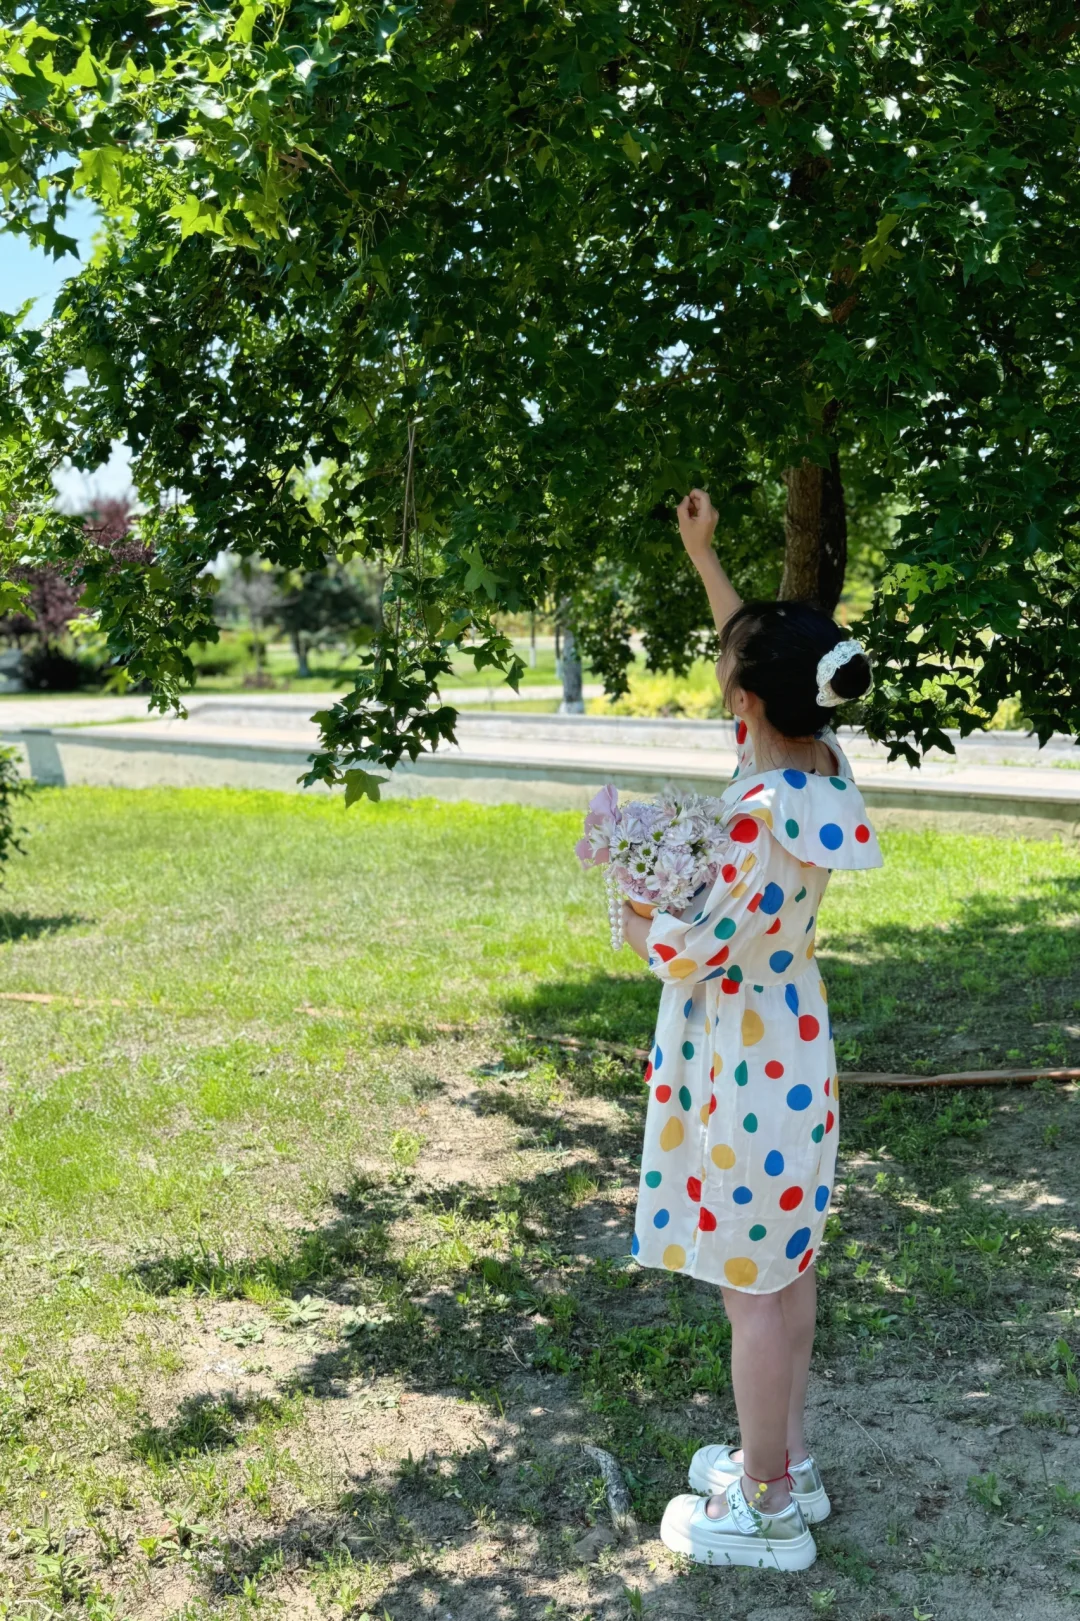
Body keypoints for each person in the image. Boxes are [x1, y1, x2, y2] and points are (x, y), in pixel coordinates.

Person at [619, 489, 883, 1571]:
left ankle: (764, 1505)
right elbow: (762, 657)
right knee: (786, 1273)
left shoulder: (753, 820)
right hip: (791, 1056)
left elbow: (687, 947)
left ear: (746, 697)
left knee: (752, 1293)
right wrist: (705, 557)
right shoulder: (815, 773)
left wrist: (633, 899)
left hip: (740, 1069)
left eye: (731, 666)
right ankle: (787, 1462)